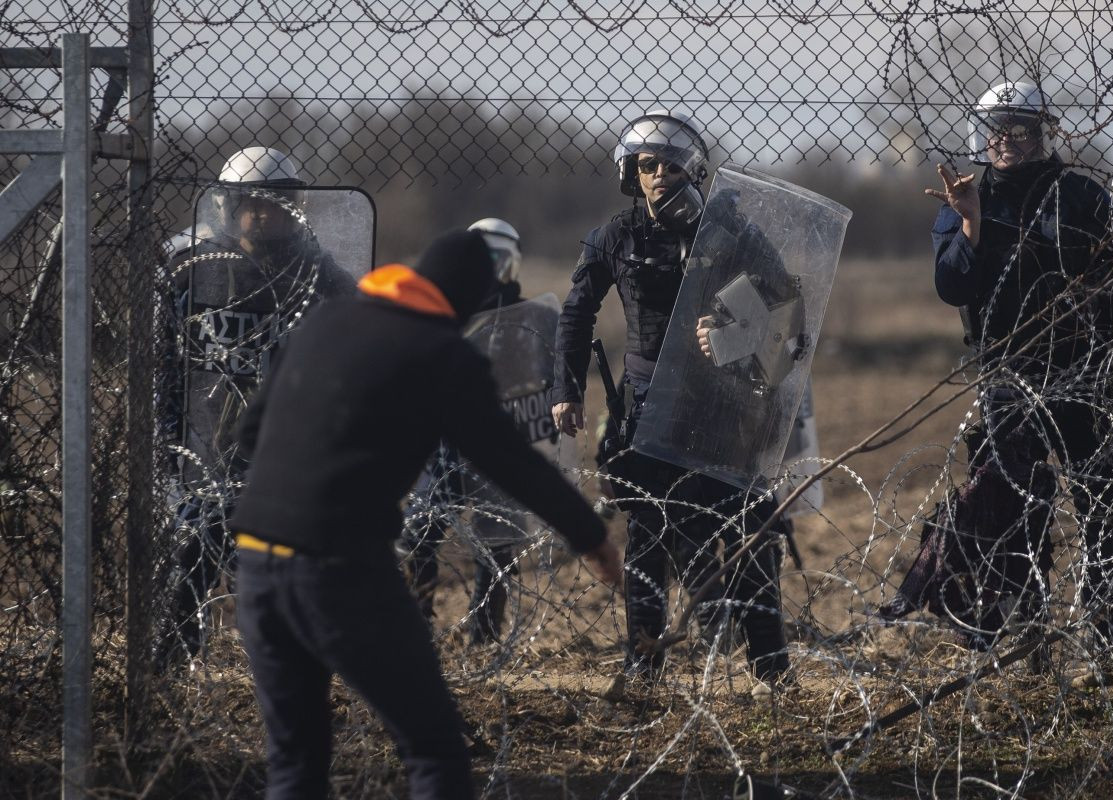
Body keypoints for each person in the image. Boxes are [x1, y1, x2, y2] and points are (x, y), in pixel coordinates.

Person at [228, 229, 623, 800]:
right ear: (464, 301)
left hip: (256, 562)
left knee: (295, 759)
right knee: (434, 749)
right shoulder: (442, 354)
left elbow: (249, 433)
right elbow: (509, 460)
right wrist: (590, 536)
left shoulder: (326, 322)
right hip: (339, 569)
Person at [879, 81, 1113, 653]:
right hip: (1007, 375)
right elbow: (951, 286)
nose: (1006, 141)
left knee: (1100, 501)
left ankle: (1106, 627)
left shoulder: (1081, 196)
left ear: (1042, 135)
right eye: (996, 131)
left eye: (1019, 130)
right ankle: (1021, 627)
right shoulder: (968, 199)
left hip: (1080, 371)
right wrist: (970, 223)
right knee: (1011, 500)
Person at [552, 110, 790, 695]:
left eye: (671, 165)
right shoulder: (616, 236)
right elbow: (576, 314)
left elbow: (787, 306)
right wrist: (566, 389)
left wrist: (736, 334)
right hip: (647, 407)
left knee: (749, 529)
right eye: (647, 165)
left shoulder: (730, 232)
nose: (658, 174)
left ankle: (771, 669)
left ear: (694, 170)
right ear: (631, 173)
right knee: (649, 536)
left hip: (725, 404)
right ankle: (643, 666)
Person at [158, 146, 357, 666]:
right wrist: (166, 434)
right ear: (228, 206)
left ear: (296, 207)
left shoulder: (317, 273)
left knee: (273, 568)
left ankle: (280, 663)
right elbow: (164, 357)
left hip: (285, 447)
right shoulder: (195, 268)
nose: (263, 215)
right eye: (252, 204)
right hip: (208, 442)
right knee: (192, 554)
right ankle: (173, 660)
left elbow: (358, 328)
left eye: (275, 203)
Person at [399, 217, 551, 644]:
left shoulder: (528, 318)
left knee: (497, 543)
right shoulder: (442, 312)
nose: (489, 270)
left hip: (500, 441)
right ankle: (416, 622)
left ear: (512, 263)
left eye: (498, 260)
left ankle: (484, 636)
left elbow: (543, 377)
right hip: (443, 444)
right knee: (418, 534)